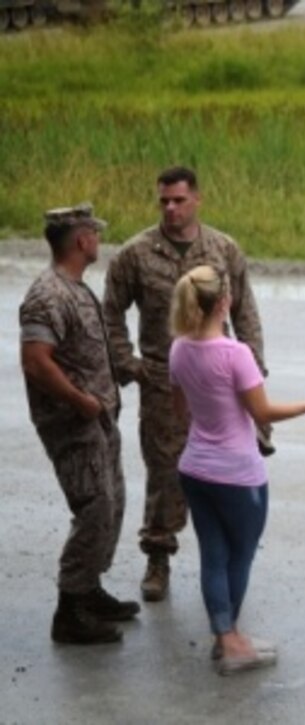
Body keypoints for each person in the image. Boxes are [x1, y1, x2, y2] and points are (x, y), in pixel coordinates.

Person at [169, 265, 305, 675]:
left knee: (213, 556)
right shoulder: (236, 354)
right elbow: (264, 412)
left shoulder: (179, 348)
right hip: (237, 473)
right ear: (223, 304)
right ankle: (232, 643)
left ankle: (224, 636)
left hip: (195, 467)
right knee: (240, 557)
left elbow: (181, 411)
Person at [103, 166, 268, 604]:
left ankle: (230, 552)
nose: (171, 208)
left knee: (228, 466)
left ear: (196, 199)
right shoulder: (135, 254)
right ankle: (158, 556)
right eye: (164, 201)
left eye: (178, 200)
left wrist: (254, 363)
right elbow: (111, 312)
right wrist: (127, 363)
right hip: (163, 378)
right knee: (165, 471)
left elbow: (246, 310)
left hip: (219, 378)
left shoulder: (222, 249)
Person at [20, 203, 141, 645]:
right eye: (94, 232)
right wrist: (78, 400)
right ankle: (70, 611)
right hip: (72, 423)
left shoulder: (76, 288)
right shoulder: (47, 294)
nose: (98, 239)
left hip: (98, 419)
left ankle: (89, 590)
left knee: (112, 503)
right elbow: (35, 362)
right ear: (81, 240)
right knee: (93, 507)